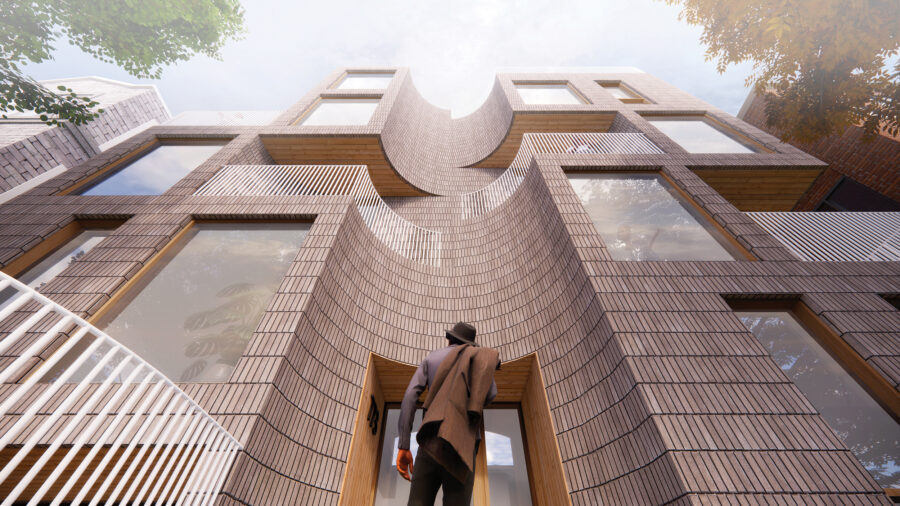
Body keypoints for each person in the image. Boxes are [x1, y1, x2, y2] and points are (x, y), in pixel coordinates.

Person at [396, 322, 499, 506]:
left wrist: (404, 445)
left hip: (430, 439)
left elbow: (410, 395)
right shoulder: (479, 360)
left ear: (449, 338)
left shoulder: (432, 359)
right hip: (462, 448)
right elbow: (490, 394)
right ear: (470, 344)